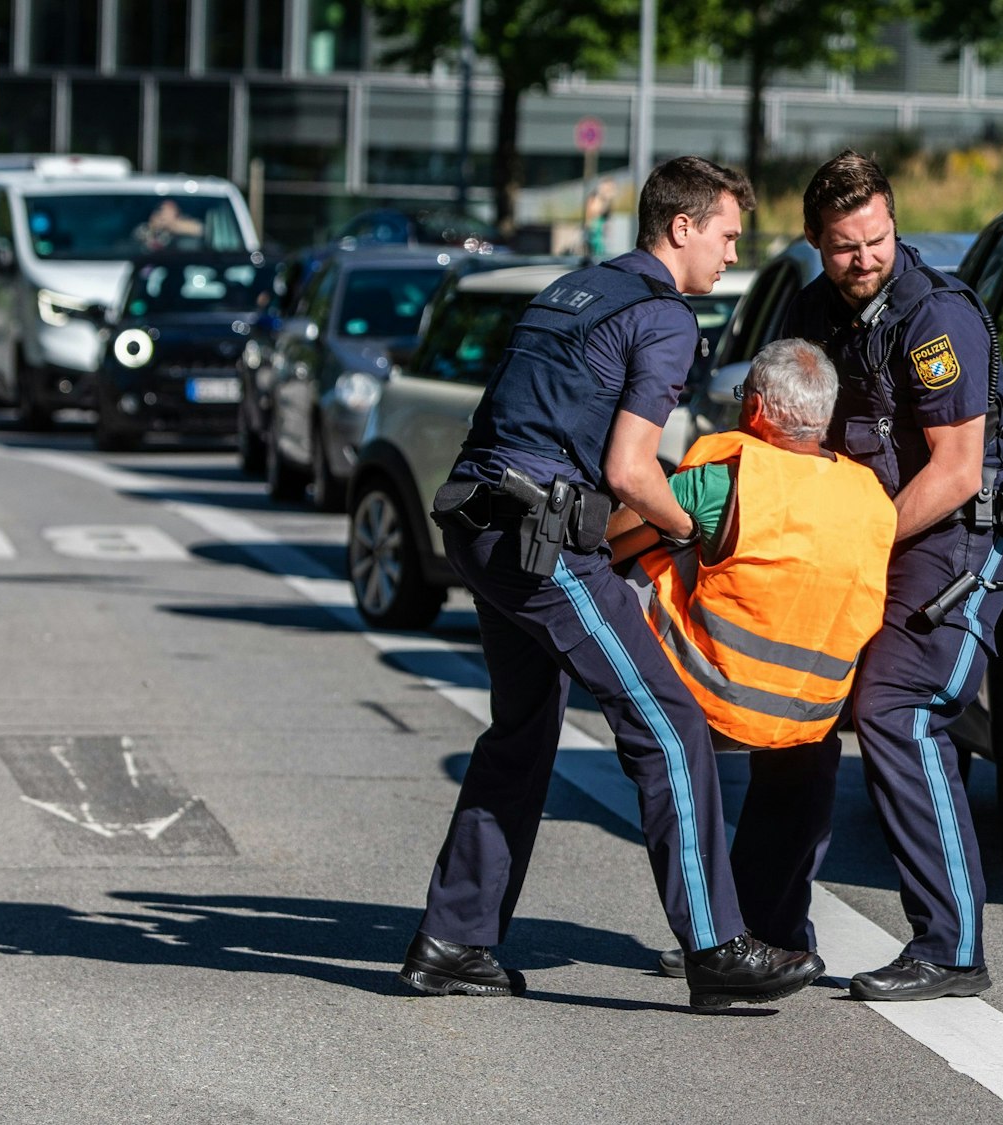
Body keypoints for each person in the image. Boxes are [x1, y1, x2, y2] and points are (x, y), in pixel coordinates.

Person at [399, 156, 823, 1012]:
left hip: (479, 523)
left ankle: (452, 942)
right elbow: (633, 471)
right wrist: (696, 529)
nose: (731, 257)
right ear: (682, 227)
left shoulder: (573, 288)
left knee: (521, 733)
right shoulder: (665, 317)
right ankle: (714, 945)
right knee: (667, 721)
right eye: (727, 235)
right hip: (540, 542)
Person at [784, 150, 1003, 1002]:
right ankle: (768, 931)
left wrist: (857, 540)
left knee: (897, 706)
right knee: (794, 701)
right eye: (846, 245)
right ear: (815, 241)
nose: (866, 259)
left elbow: (958, 470)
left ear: (895, 223)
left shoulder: (936, 317)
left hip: (955, 537)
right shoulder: (814, 308)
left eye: (878, 239)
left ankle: (952, 947)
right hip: (866, 532)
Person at [611, 339, 896, 978]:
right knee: (802, 775)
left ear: (759, 408)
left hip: (708, 690)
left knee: (645, 563)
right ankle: (778, 926)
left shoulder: (729, 478)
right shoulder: (869, 497)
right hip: (811, 709)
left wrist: (678, 532)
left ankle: (716, 935)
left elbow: (615, 533)